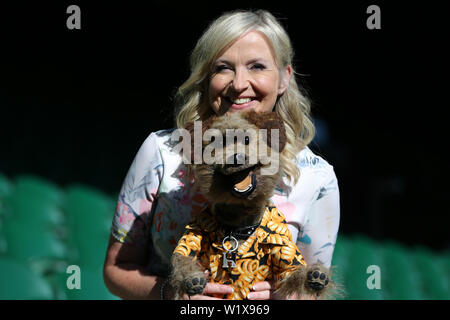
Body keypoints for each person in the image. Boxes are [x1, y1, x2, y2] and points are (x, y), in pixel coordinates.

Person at [103, 9, 340, 300]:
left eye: (257, 66)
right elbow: (116, 269)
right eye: (223, 68)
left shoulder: (318, 176)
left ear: (283, 78)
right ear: (206, 77)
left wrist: (279, 298)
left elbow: (311, 291)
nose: (239, 84)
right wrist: (170, 294)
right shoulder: (162, 152)